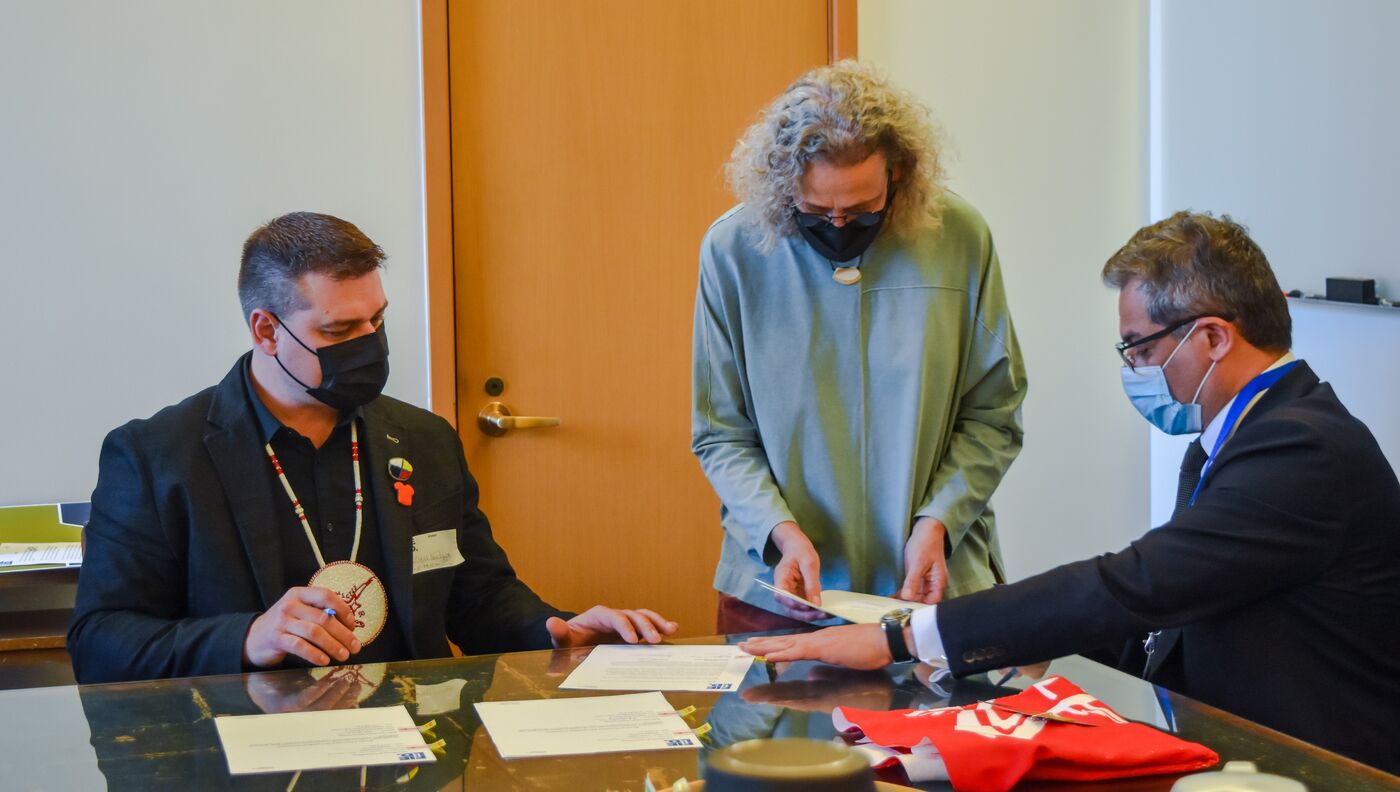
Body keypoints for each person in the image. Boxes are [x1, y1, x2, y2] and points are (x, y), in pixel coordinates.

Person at [739, 211, 1400, 772]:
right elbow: (1175, 601)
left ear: (1213, 337)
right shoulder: (1249, 431)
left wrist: (904, 638)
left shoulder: (1301, 449)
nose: (1133, 368)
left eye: (1139, 348)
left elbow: (1139, 584)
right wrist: (1024, 644)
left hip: (1321, 767)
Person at [68, 212, 676, 684]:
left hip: (410, 744)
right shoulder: (156, 456)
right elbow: (102, 640)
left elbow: (476, 595)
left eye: (376, 322)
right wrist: (247, 637)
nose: (366, 344)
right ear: (265, 330)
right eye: (338, 331)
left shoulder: (424, 440)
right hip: (244, 747)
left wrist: (556, 630)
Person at [692, 61, 1026, 634]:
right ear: (781, 184)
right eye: (819, 212)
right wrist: (779, 532)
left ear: (898, 174)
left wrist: (938, 522)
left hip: (931, 582)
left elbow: (993, 413)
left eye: (863, 208)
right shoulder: (733, 250)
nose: (841, 224)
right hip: (780, 592)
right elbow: (721, 433)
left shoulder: (961, 238)